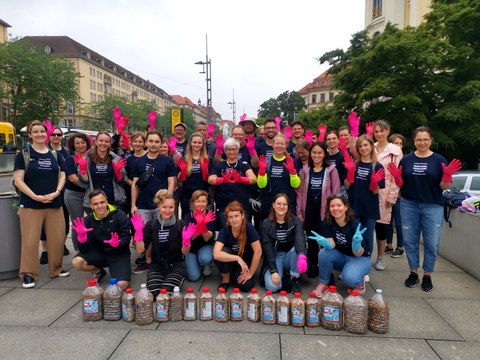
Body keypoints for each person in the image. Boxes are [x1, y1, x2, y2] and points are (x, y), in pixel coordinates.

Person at [387, 126, 462, 292]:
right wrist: (398, 178)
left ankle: (427, 274)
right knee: (410, 241)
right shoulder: (406, 160)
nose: (422, 142)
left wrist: (447, 176)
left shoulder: (439, 160)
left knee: (431, 243)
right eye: (419, 139)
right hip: (409, 204)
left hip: (432, 206)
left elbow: (443, 186)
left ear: (431, 140)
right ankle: (413, 272)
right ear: (414, 141)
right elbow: (401, 184)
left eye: (425, 139)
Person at [13, 120, 69, 288]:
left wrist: (57, 192)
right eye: (35, 132)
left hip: (54, 202)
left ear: (47, 134)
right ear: (30, 134)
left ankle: (56, 269)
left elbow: (63, 174)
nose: (39, 135)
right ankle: (28, 274)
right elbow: (18, 180)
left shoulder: (54, 153)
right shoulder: (23, 153)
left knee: (57, 239)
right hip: (31, 204)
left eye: (42, 132)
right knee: (30, 241)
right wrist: (35, 196)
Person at [135, 189, 194, 296]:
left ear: (175, 207)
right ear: (158, 207)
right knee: (153, 293)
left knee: (167, 292)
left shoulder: (181, 225)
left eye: (171, 207)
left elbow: (185, 253)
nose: (168, 210)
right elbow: (140, 250)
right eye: (164, 207)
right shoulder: (151, 224)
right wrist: (138, 234)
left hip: (176, 265)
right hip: (157, 265)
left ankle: (175, 280)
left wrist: (186, 242)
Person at [310, 195, 371, 297]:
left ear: (346, 207)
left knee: (350, 279)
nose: (336, 208)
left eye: (339, 205)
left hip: (359, 257)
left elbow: (358, 252)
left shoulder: (355, 224)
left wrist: (356, 243)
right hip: (341, 255)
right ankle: (323, 283)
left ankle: (360, 280)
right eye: (332, 206)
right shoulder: (328, 221)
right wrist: (325, 243)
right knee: (323, 253)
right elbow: (332, 245)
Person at [296, 141, 341, 278]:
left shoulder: (331, 170)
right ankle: (313, 264)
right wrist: (299, 212)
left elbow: (336, 192)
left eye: (319, 152)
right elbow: (299, 192)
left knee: (325, 240)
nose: (316, 155)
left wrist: (334, 211)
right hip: (309, 210)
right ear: (310, 154)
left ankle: (327, 268)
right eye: (314, 152)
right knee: (312, 239)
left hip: (325, 212)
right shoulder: (305, 170)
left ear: (324, 154)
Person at [71, 189, 131, 289]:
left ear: (107, 201)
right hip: (100, 253)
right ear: (91, 206)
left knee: (121, 285)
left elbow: (126, 238)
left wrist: (118, 243)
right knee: (77, 262)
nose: (99, 206)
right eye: (95, 204)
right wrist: (82, 238)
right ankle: (99, 271)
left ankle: (118, 270)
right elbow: (84, 250)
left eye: (102, 202)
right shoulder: (87, 221)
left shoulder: (119, 215)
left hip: (118, 253)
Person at [344, 135, 385, 254]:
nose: (363, 148)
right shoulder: (354, 164)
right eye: (360, 146)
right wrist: (350, 173)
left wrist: (374, 184)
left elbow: (375, 192)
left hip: (370, 209)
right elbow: (347, 186)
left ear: (372, 146)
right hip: (354, 206)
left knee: (367, 237)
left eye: (366, 145)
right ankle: (353, 260)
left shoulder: (377, 166)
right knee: (354, 236)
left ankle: (366, 262)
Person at [372, 120, 403, 271]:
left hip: (385, 191)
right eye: (376, 131)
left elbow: (397, 175)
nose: (379, 134)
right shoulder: (371, 147)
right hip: (369, 190)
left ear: (388, 131)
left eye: (381, 131)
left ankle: (380, 257)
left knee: (381, 226)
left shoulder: (395, 151)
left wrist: (392, 196)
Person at [261, 194, 307, 293]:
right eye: (278, 204)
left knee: (298, 248)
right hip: (275, 256)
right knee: (273, 287)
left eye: (284, 204)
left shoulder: (295, 220)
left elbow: (300, 237)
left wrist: (301, 255)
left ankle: (294, 278)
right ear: (273, 205)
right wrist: (273, 271)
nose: (281, 207)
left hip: (291, 255)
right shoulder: (266, 223)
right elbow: (267, 247)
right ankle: (286, 278)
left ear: (288, 207)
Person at [213, 201, 262, 292]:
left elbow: (258, 251)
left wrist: (250, 273)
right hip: (231, 260)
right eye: (230, 217)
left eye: (236, 216)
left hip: (245, 264)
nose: (234, 219)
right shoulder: (225, 230)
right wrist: (237, 258)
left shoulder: (249, 228)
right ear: (227, 219)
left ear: (242, 216)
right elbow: (216, 254)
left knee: (247, 286)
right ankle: (226, 279)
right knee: (223, 251)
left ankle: (235, 275)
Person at [208, 138, 257, 228]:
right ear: (225, 151)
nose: (231, 152)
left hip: (241, 205)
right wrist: (223, 179)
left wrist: (241, 179)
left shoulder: (244, 165)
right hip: (224, 205)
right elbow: (210, 179)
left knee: (243, 233)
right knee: (226, 233)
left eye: (234, 149)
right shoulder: (220, 165)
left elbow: (254, 179)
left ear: (238, 150)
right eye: (228, 149)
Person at [39, 126, 70, 264]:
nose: (56, 137)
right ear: (49, 136)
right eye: (53, 134)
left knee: (64, 219)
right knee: (44, 222)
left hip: (64, 190)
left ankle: (60, 245)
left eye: (59, 134)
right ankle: (45, 250)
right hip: (47, 189)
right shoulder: (44, 151)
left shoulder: (67, 152)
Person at [78, 131, 127, 210]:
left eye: (106, 141)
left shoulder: (116, 159)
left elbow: (122, 182)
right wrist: (83, 170)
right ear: (96, 142)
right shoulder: (87, 159)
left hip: (114, 200)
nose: (103, 143)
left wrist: (118, 174)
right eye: (101, 141)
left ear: (110, 143)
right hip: (95, 202)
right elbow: (84, 182)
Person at [257, 133, 301, 219]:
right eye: (277, 143)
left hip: (287, 203)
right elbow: (261, 185)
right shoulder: (266, 161)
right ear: (272, 145)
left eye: (282, 144)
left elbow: (296, 185)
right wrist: (262, 171)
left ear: (286, 145)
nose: (279, 146)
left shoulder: (291, 161)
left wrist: (292, 172)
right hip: (269, 203)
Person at [64, 132, 91, 251]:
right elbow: (72, 178)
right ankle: (79, 249)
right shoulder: (70, 159)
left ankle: (92, 245)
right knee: (78, 223)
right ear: (73, 145)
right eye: (77, 143)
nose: (80, 145)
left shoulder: (92, 157)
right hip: (74, 195)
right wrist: (89, 186)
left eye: (83, 142)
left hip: (91, 195)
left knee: (94, 220)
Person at [183, 190, 216, 281]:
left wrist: (203, 224)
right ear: (193, 203)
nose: (201, 204)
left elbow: (207, 238)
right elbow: (190, 238)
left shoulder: (211, 215)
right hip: (191, 249)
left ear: (207, 203)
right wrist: (200, 224)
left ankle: (206, 265)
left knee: (205, 258)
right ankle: (193, 262)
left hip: (206, 246)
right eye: (198, 201)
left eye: (203, 201)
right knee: (194, 277)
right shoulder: (188, 216)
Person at [177, 133, 211, 218]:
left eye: (199, 143)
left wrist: (206, 174)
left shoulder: (208, 159)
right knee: (187, 219)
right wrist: (182, 172)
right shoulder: (183, 159)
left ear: (203, 144)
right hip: (187, 194)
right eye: (194, 142)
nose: (197, 145)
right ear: (190, 143)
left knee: (203, 220)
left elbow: (211, 179)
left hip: (203, 194)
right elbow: (179, 179)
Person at [385, 133, 406, 257]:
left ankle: (400, 246)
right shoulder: (388, 158)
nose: (398, 146)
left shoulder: (404, 159)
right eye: (395, 143)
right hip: (387, 194)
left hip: (399, 196)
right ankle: (389, 244)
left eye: (400, 143)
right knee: (387, 221)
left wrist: (397, 193)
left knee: (399, 222)